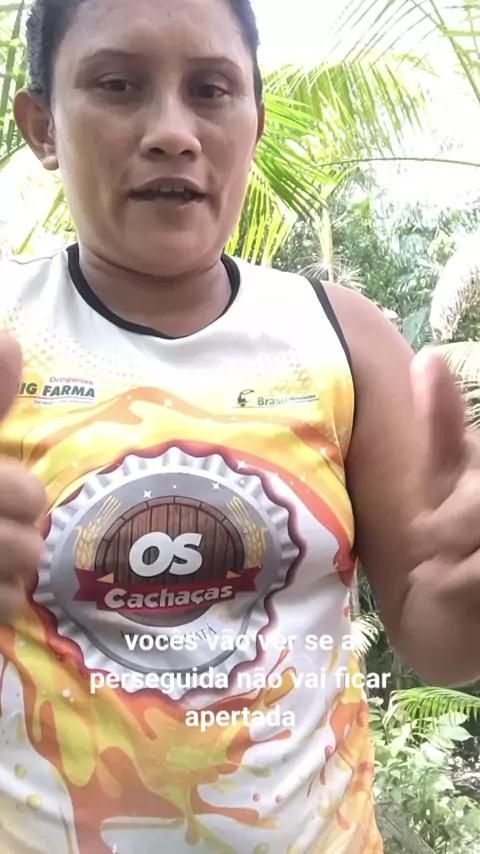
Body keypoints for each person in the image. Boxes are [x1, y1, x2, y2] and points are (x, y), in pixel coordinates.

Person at [0, 0, 479, 852]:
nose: (172, 133)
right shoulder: (7, 335)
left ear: (254, 123)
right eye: (118, 85)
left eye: (212, 90)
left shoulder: (343, 339)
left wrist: (468, 583)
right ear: (42, 126)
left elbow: (437, 637)